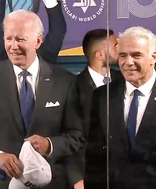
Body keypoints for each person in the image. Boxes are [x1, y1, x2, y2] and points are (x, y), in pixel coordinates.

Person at [0, 9, 85, 189]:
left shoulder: (65, 81)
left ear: (38, 41)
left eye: (20, 39)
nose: (13, 46)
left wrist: (49, 145)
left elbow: (76, 136)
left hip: (51, 182)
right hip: (3, 182)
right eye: (9, 39)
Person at [85, 26, 156, 189]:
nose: (128, 62)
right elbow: (94, 158)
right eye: (123, 55)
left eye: (136, 55)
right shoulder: (102, 96)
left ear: (154, 57)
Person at [65, 29, 123, 189]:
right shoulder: (73, 88)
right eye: (115, 45)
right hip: (88, 178)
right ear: (99, 55)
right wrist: (76, 179)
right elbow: (70, 137)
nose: (120, 49)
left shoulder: (126, 81)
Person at [0, 0, 66, 64]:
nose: (15, 47)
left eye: (22, 39)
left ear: (37, 41)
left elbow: (58, 32)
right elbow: (58, 32)